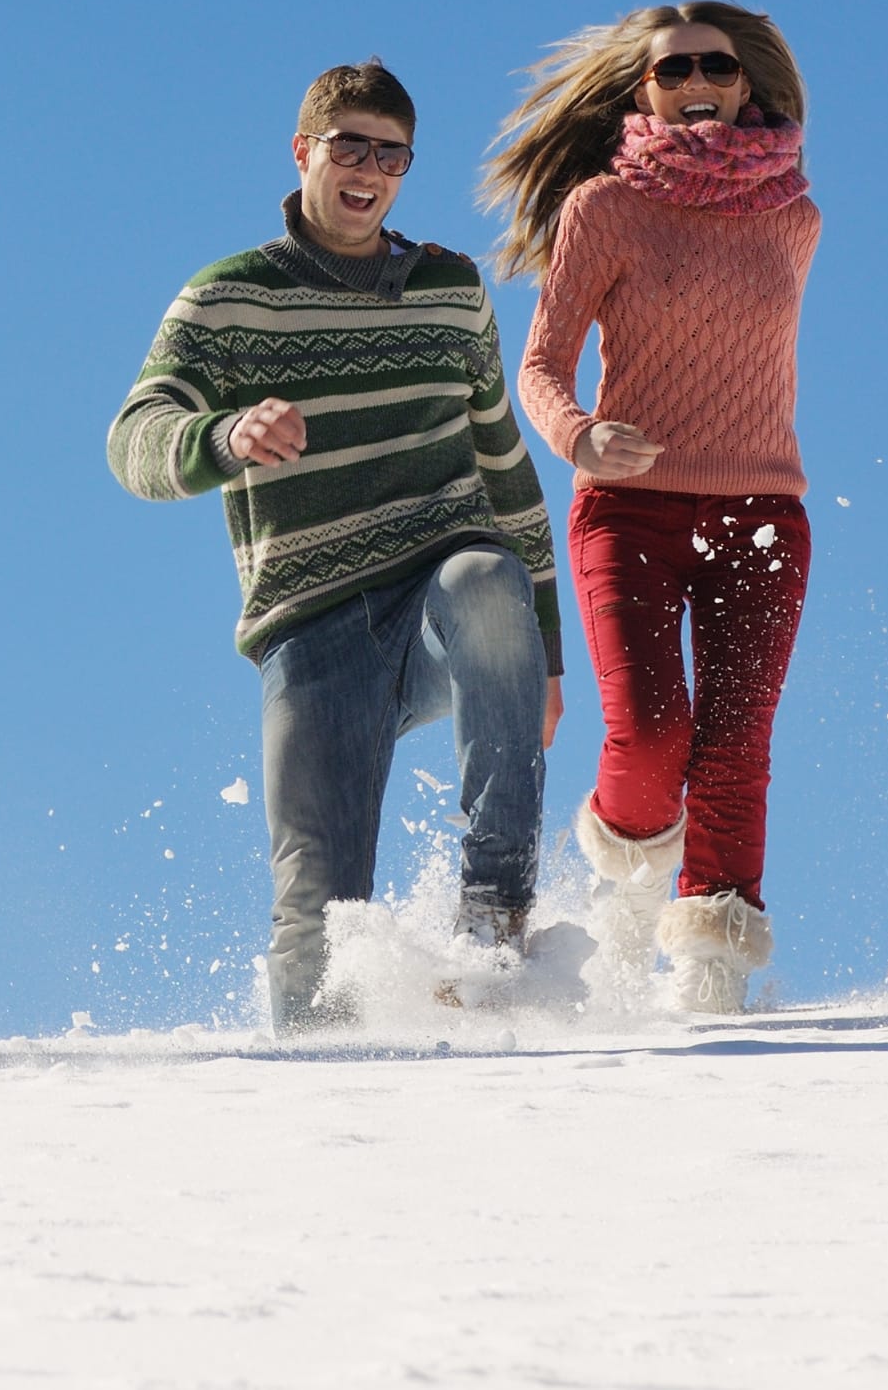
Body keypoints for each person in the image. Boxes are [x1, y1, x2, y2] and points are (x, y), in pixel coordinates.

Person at [109, 60, 562, 1030]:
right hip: (311, 628)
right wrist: (224, 435)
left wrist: (544, 653)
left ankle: (493, 922)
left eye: (392, 156)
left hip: (439, 590)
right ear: (302, 152)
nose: (370, 171)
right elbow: (133, 438)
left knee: (487, 580)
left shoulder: (449, 290)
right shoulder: (229, 298)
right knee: (316, 936)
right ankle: (319, 1083)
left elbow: (504, 467)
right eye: (350, 147)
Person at [486, 1, 819, 1015]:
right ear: (644, 91)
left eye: (714, 65)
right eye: (672, 70)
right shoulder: (603, 207)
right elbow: (540, 365)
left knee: (735, 744)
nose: (694, 83)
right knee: (651, 730)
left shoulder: (795, 216)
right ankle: (628, 883)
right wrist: (580, 435)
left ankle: (713, 976)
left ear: (745, 84)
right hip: (628, 510)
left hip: (764, 508)